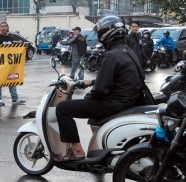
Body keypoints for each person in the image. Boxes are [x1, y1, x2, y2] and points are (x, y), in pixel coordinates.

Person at [55, 15, 143, 161]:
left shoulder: (111, 56)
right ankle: (98, 150)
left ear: (106, 35)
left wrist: (89, 97)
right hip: (128, 100)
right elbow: (119, 77)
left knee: (63, 108)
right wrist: (91, 82)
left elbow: (101, 90)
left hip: (114, 103)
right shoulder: (127, 51)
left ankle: (76, 151)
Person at [0, 21, 26, 106]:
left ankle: (15, 98)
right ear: (0, 28)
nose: (3, 28)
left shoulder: (10, 38)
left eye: (5, 26)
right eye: (2, 26)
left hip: (9, 64)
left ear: (8, 28)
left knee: (12, 80)